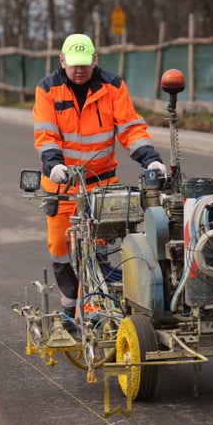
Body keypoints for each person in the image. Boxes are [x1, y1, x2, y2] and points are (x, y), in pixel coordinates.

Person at [32, 33, 167, 329]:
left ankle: (95, 312)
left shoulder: (113, 86)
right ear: (62, 61)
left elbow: (131, 128)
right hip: (61, 185)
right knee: (59, 248)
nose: (79, 70)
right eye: (73, 64)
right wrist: (54, 165)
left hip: (100, 185)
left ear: (95, 60)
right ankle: (70, 303)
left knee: (100, 249)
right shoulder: (48, 90)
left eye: (85, 64)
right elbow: (46, 135)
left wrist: (150, 158)